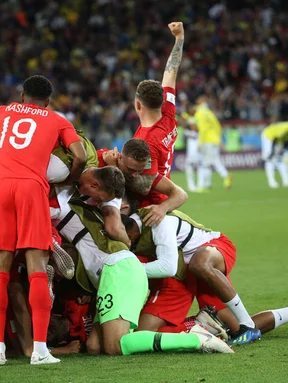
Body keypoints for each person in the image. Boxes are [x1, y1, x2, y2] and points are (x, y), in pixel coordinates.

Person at [51, 180, 232, 356]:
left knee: (115, 346)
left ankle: (196, 339)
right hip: (106, 276)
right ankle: (195, 330)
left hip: (118, 270)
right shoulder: (81, 201)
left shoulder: (61, 202)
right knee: (94, 346)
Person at [0, 75, 87, 366]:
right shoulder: (57, 120)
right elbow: (79, 155)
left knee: (0, 270)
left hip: (2, 188)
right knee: (37, 268)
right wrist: (70, 177)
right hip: (32, 189)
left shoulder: (2, 111)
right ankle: (40, 350)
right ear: (48, 101)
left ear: (21, 96)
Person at [122, 209, 262, 345]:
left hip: (208, 250)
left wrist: (128, 270)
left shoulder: (158, 222)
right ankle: (202, 325)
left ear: (130, 231)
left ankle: (248, 325)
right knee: (232, 325)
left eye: (125, 239)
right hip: (186, 269)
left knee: (200, 265)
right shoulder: (132, 226)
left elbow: (168, 268)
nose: (126, 244)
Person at [132, 22, 184, 205]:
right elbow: (171, 72)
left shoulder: (145, 142)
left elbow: (145, 186)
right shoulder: (168, 113)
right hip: (165, 197)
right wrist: (179, 38)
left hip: (151, 208)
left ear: (138, 105)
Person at [194, 96, 231, 191]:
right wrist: (219, 140)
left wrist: (200, 142)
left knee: (205, 163)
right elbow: (218, 127)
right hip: (214, 140)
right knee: (215, 160)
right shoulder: (210, 113)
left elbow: (202, 129)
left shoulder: (199, 114)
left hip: (207, 141)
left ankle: (205, 186)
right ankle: (226, 175)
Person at [260, 120, 288, 188]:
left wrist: (281, 149)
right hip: (268, 135)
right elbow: (275, 139)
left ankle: (286, 181)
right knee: (269, 159)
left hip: (278, 139)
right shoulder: (284, 130)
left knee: (280, 159)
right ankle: (271, 182)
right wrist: (272, 153)